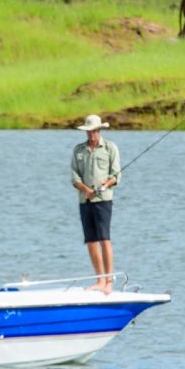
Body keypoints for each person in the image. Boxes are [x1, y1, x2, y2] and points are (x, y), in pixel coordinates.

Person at [70, 113, 121, 294]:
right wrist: (86, 190)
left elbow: (116, 175)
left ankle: (108, 281)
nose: (91, 135)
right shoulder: (79, 150)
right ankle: (99, 280)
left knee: (104, 239)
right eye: (89, 132)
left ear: (100, 130)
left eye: (94, 131)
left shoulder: (109, 148)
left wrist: (104, 185)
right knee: (91, 241)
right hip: (85, 200)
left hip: (103, 200)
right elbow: (74, 177)